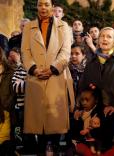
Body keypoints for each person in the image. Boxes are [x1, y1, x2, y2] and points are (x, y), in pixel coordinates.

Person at [21, 0, 74, 153]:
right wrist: (33, 69)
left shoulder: (64, 26)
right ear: (36, 7)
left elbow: (65, 52)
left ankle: (55, 149)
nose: (43, 8)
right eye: (40, 4)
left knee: (55, 122)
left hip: (55, 77)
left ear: (52, 6)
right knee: (38, 122)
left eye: (46, 4)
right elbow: (25, 51)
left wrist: (52, 69)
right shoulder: (28, 27)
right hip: (35, 77)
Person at [79, 27, 114, 149]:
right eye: (102, 36)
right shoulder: (91, 62)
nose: (105, 39)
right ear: (98, 40)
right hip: (94, 118)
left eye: (109, 37)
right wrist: (78, 107)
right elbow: (82, 86)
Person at [72, 88, 114, 156]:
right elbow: (76, 133)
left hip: (101, 143)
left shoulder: (101, 112)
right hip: (87, 142)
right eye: (82, 100)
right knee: (79, 147)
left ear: (96, 100)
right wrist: (77, 120)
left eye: (87, 100)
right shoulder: (80, 113)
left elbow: (108, 131)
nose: (84, 103)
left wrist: (94, 130)